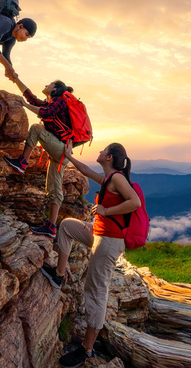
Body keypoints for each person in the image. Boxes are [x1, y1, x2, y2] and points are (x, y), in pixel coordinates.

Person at [41, 142, 140, 367]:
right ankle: (58, 274)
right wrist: (68, 156)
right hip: (98, 233)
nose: (100, 152)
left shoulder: (117, 179)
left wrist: (106, 210)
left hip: (109, 242)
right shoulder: (108, 178)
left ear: (110, 157)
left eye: (103, 150)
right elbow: (85, 171)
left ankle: (86, 349)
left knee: (96, 290)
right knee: (66, 226)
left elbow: (135, 202)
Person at [3, 77, 74, 239]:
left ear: (55, 89)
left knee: (36, 128)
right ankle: (51, 227)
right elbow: (32, 98)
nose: (45, 85)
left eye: (48, 84)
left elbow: (45, 112)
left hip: (61, 150)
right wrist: (16, 80)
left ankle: (22, 162)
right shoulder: (53, 101)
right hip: (62, 153)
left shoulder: (60, 101)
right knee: (54, 189)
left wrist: (25, 106)